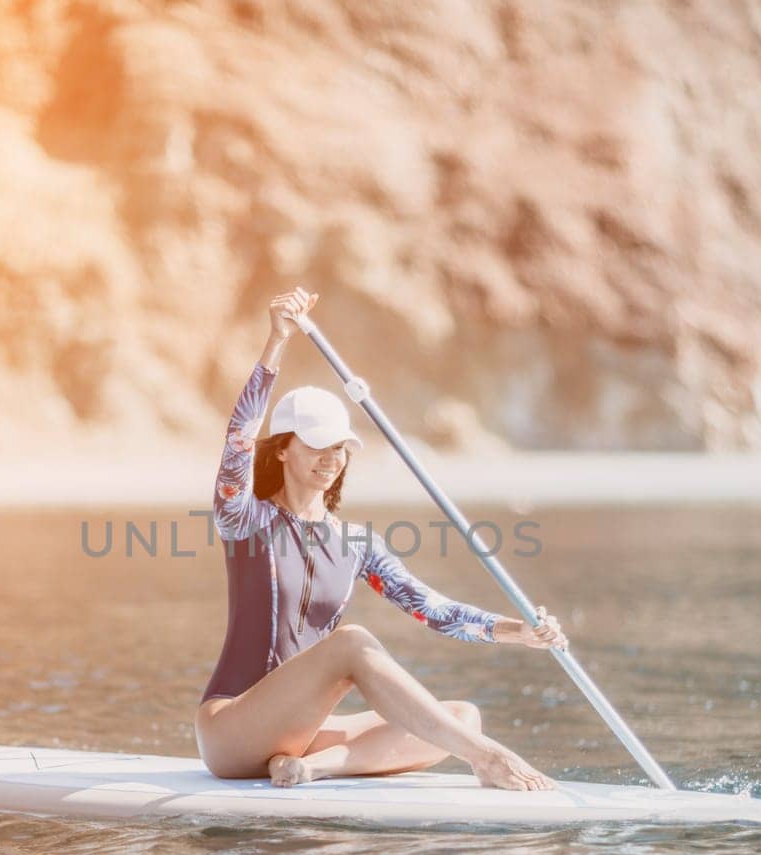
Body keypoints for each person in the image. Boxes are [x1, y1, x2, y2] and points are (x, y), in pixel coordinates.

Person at [195, 287, 567, 791]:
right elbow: (239, 436)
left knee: (462, 717)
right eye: (317, 445)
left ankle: (311, 769)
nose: (332, 457)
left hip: (302, 736)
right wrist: (275, 343)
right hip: (232, 728)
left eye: (341, 447)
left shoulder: (356, 544)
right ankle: (489, 759)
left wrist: (516, 631)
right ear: (282, 450)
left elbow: (435, 611)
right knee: (351, 644)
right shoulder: (246, 519)